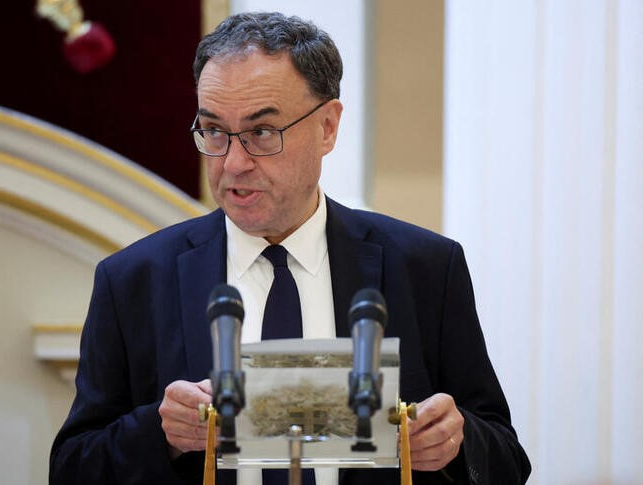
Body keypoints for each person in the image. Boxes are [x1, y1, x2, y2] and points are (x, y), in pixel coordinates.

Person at [50, 11, 531, 485]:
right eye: (214, 130)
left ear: (327, 127)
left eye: (261, 132)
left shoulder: (425, 268)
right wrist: (162, 435)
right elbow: (71, 468)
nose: (233, 163)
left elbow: (507, 460)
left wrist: (455, 443)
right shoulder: (133, 279)